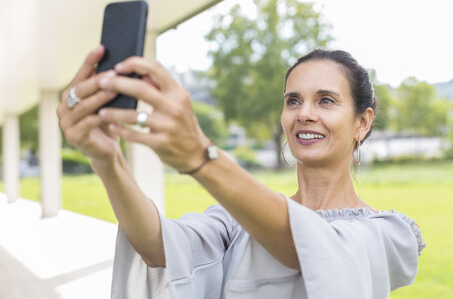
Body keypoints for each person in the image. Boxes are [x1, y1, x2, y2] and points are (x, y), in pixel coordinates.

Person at [57, 46, 426, 298]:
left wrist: (200, 157)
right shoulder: (238, 221)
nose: (304, 114)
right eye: (292, 101)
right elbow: (158, 246)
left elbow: (306, 248)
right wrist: (107, 160)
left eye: (325, 100)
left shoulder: (388, 235)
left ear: (362, 122)